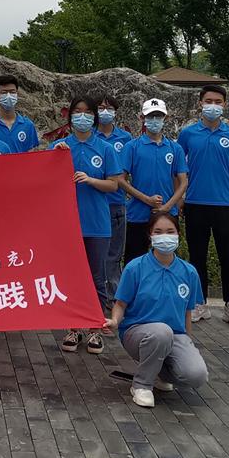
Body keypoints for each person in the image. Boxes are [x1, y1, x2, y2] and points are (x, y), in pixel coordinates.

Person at [105, 212, 208, 408]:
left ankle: (159, 373)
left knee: (196, 375)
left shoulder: (189, 272)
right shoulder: (135, 268)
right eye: (158, 232)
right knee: (161, 332)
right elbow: (120, 303)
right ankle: (142, 385)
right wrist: (115, 321)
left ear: (178, 234)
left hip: (175, 335)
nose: (164, 236)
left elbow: (187, 312)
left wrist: (188, 342)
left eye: (170, 231)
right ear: (150, 235)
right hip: (138, 333)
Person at [52, 96, 121, 355]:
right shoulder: (60, 147)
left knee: (96, 278)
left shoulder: (105, 148)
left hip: (97, 224)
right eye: (77, 112)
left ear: (94, 117)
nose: (83, 116)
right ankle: (73, 328)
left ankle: (94, 328)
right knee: (70, 278)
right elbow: (45, 180)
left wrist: (91, 180)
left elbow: (114, 185)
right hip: (67, 225)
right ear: (70, 116)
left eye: (88, 112)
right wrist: (55, 158)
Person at [178, 84, 229, 330]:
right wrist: (179, 197)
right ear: (200, 103)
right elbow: (177, 167)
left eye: (218, 101)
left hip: (224, 205)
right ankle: (199, 304)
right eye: (208, 101)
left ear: (225, 104)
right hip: (195, 203)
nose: (213, 105)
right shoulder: (188, 134)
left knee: (228, 258)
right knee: (197, 257)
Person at [122, 98, 188, 262]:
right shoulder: (132, 147)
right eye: (150, 116)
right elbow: (121, 180)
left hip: (167, 215)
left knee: (166, 259)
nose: (154, 120)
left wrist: (167, 206)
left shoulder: (175, 148)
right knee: (135, 260)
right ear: (142, 118)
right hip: (138, 214)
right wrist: (146, 199)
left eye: (158, 116)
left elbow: (183, 181)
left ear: (166, 118)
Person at [93, 93, 133, 305]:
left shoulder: (125, 139)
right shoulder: (89, 136)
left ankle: (114, 297)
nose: (105, 112)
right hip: (93, 204)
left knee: (114, 254)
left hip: (116, 203)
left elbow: (125, 173)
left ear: (116, 112)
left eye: (109, 108)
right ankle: (95, 296)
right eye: (100, 108)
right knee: (94, 253)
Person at [0, 75, 40, 153]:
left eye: (12, 92)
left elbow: (31, 153)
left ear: (17, 94)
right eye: (4, 92)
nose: (9, 96)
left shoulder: (28, 125)